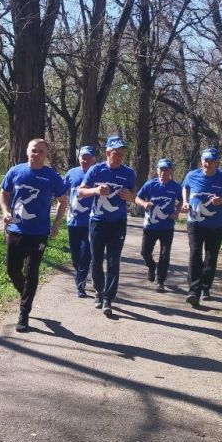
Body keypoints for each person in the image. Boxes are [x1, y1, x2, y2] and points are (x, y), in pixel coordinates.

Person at [0, 138, 69, 332]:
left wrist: (56, 224)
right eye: (34, 150)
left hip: (38, 233)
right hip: (15, 230)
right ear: (27, 151)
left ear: (46, 155)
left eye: (41, 151)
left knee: (31, 272)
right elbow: (4, 193)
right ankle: (26, 294)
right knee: (12, 270)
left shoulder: (52, 177)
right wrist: (5, 211)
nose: (36, 154)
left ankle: (24, 314)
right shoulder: (15, 171)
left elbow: (63, 201)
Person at [77, 135, 136, 317]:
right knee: (96, 260)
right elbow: (80, 192)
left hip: (118, 223)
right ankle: (98, 290)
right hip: (98, 221)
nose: (119, 157)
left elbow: (134, 195)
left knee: (113, 261)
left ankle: (108, 298)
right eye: (116, 153)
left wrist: (130, 197)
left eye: (122, 154)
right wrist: (95, 190)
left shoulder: (129, 173)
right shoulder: (96, 170)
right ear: (107, 153)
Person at [181, 147, 222, 308]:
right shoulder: (192, 175)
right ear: (201, 160)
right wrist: (185, 202)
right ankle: (193, 291)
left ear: (216, 162)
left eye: (211, 161)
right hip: (195, 224)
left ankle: (205, 287)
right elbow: (185, 187)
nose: (208, 164)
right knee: (195, 254)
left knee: (210, 258)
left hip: (216, 225)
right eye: (206, 160)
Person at [135, 158, 183, 293]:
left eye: (166, 170)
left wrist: (177, 212)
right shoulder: (150, 185)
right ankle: (151, 266)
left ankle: (160, 281)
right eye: (161, 170)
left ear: (171, 171)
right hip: (150, 226)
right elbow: (137, 198)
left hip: (167, 226)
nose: (163, 173)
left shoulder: (175, 187)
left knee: (165, 254)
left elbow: (182, 200)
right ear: (157, 170)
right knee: (145, 252)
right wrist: (144, 204)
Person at [63, 146, 96, 298]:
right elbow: (62, 191)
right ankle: (81, 274)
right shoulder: (72, 173)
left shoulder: (97, 173)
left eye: (88, 158)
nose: (85, 160)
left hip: (91, 221)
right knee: (75, 255)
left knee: (85, 254)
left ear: (94, 159)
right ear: (79, 158)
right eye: (83, 157)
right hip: (73, 221)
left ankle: (80, 284)